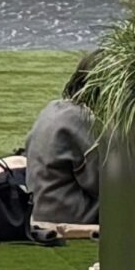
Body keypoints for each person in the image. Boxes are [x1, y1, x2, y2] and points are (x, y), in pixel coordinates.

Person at [21, 52, 101, 233]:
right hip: (71, 216)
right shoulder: (82, 120)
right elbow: (106, 184)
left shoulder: (53, 108)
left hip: (40, 209)